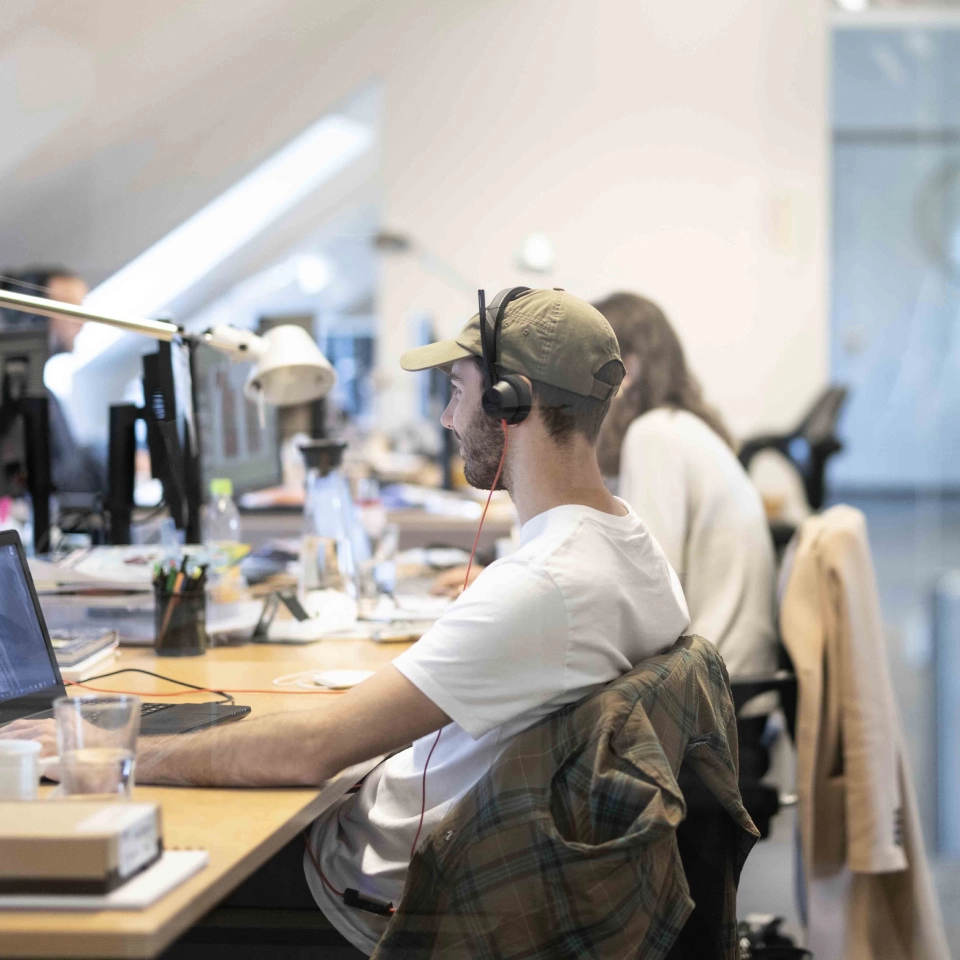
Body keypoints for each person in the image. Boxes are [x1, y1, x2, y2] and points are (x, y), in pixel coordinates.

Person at [3, 288, 691, 956]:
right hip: (480, 874)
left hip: (378, 899)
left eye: (457, 391)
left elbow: (309, 750)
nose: (448, 418)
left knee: (79, 893)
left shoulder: (544, 584)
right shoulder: (631, 546)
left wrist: (110, 747)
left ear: (510, 400)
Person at [591, 292, 777, 697]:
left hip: (716, 696)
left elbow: (651, 594)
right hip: (729, 679)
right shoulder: (677, 427)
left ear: (628, 371)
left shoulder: (653, 435)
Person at [0, 267, 103, 494]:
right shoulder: (15, 395)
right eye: (71, 307)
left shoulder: (46, 396)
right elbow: (57, 478)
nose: (82, 321)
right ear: (34, 317)